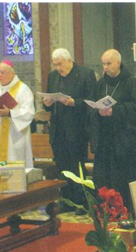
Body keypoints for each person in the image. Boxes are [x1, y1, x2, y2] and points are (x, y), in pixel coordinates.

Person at [87, 49, 136, 212]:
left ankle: (127, 210)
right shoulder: (100, 84)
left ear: (118, 63)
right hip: (106, 142)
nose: (105, 67)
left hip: (126, 144)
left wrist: (115, 111)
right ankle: (106, 210)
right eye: (103, 64)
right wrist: (98, 111)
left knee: (124, 180)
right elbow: (91, 108)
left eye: (108, 64)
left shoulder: (131, 82)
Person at [42, 48, 96, 208]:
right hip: (58, 131)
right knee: (62, 167)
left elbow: (92, 101)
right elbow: (48, 104)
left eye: (60, 64)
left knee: (77, 167)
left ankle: (82, 202)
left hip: (77, 130)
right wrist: (47, 103)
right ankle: (66, 202)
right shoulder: (53, 77)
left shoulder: (85, 74)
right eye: (55, 65)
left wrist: (74, 102)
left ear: (69, 61)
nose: (58, 68)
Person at [0, 60, 35, 168]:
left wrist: (10, 113)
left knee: (15, 167)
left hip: (15, 138)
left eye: (3, 72)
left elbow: (29, 112)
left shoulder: (23, 89)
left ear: (12, 73)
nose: (0, 76)